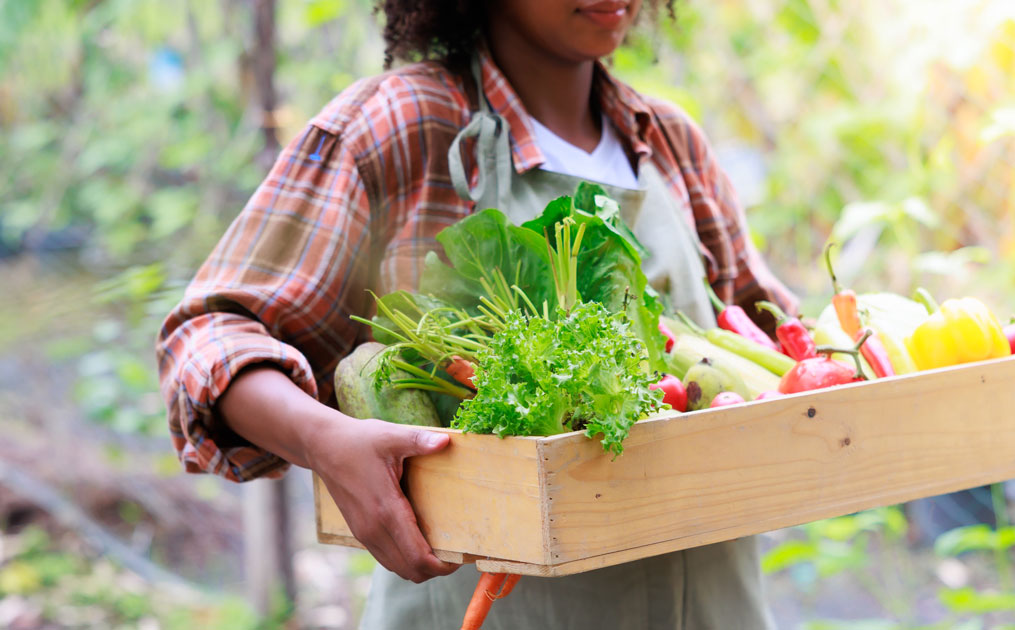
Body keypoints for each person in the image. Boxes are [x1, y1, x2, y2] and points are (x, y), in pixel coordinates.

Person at [157, 0, 797, 627]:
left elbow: (764, 348)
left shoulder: (668, 140)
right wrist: (324, 440)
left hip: (712, 605)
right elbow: (209, 336)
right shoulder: (402, 125)